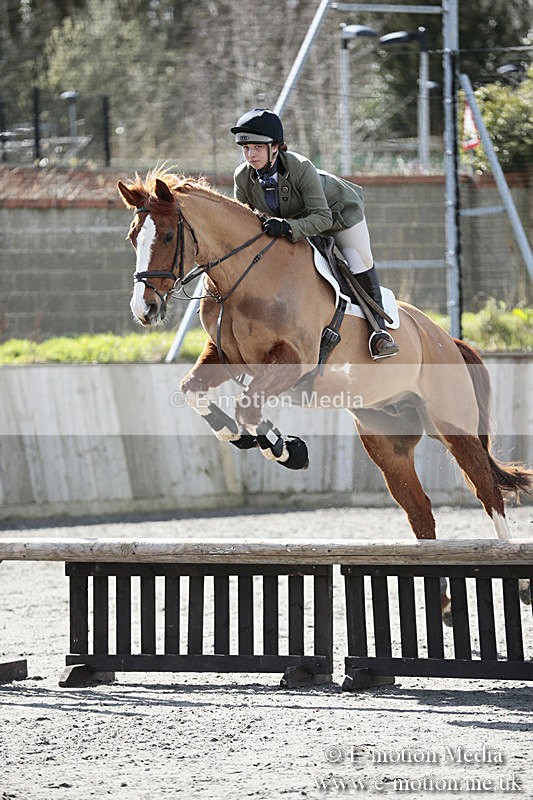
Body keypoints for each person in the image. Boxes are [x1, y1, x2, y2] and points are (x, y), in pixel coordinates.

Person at [230, 108, 399, 360]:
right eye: (246, 148)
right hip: (297, 220)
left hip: (338, 215)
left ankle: (380, 333)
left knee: (358, 263)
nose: (250, 154)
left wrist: (287, 228)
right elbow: (243, 221)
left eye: (256, 147)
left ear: (275, 147)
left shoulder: (300, 168)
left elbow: (322, 217)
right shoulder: (243, 177)